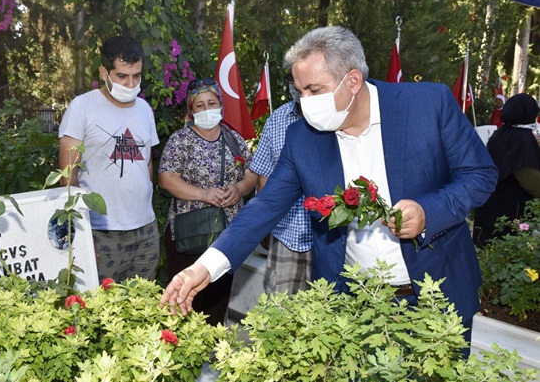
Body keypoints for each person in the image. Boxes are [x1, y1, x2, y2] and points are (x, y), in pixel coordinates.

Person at [160, 26, 497, 355]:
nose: (304, 103)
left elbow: (479, 174)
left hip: (437, 297)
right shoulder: (302, 138)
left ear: (352, 81)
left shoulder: (428, 105)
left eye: (314, 90)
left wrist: (429, 212)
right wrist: (203, 268)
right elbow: (263, 209)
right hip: (353, 307)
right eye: (299, 91)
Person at [58, 35, 160, 283]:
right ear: (104, 72)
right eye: (122, 76)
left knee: (142, 307)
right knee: (102, 312)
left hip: (145, 229)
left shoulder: (145, 110)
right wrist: (83, 236)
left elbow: (147, 164)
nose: (131, 83)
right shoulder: (82, 107)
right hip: (100, 231)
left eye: (137, 76)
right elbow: (68, 177)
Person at [158, 77, 258, 326]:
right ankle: (182, 353)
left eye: (211, 103)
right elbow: (166, 179)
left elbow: (251, 173)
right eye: (199, 105)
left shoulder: (234, 139)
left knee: (218, 299)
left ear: (221, 105)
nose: (206, 109)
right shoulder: (180, 141)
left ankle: (212, 355)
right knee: (184, 298)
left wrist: (239, 188)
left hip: (227, 234)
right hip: (189, 234)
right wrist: (203, 194)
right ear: (191, 111)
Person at [250, 75, 313, 295]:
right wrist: (265, 223)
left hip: (328, 236)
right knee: (280, 310)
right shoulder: (277, 120)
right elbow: (264, 174)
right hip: (286, 232)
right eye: (295, 85)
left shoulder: (336, 118)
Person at [474, 93, 540, 245]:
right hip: (510, 209)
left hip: (490, 202)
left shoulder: (501, 133)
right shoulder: (522, 139)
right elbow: (528, 177)